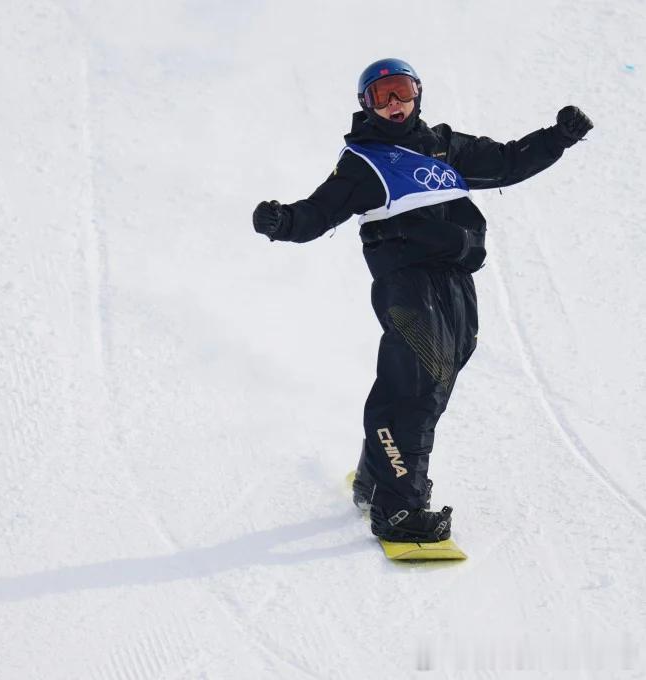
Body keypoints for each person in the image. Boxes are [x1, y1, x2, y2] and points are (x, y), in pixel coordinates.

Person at [252, 58, 592, 543]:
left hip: (455, 278)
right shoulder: (364, 162)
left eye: (402, 91)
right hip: (406, 281)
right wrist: (283, 222)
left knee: (439, 376)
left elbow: (508, 162)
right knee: (418, 383)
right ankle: (398, 511)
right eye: (381, 96)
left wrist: (557, 138)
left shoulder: (444, 147)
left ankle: (376, 480)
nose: (394, 103)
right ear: (366, 105)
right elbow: (317, 212)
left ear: (418, 93)